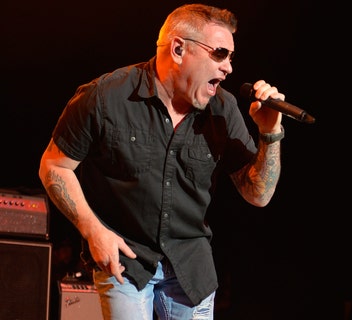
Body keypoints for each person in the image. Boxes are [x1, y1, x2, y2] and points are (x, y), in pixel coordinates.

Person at [38, 4, 286, 319]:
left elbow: (258, 194)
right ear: (179, 48)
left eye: (231, 57)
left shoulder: (222, 109)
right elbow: (54, 166)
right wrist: (92, 230)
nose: (229, 68)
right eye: (220, 53)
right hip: (126, 262)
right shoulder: (106, 97)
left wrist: (270, 132)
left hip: (190, 267)